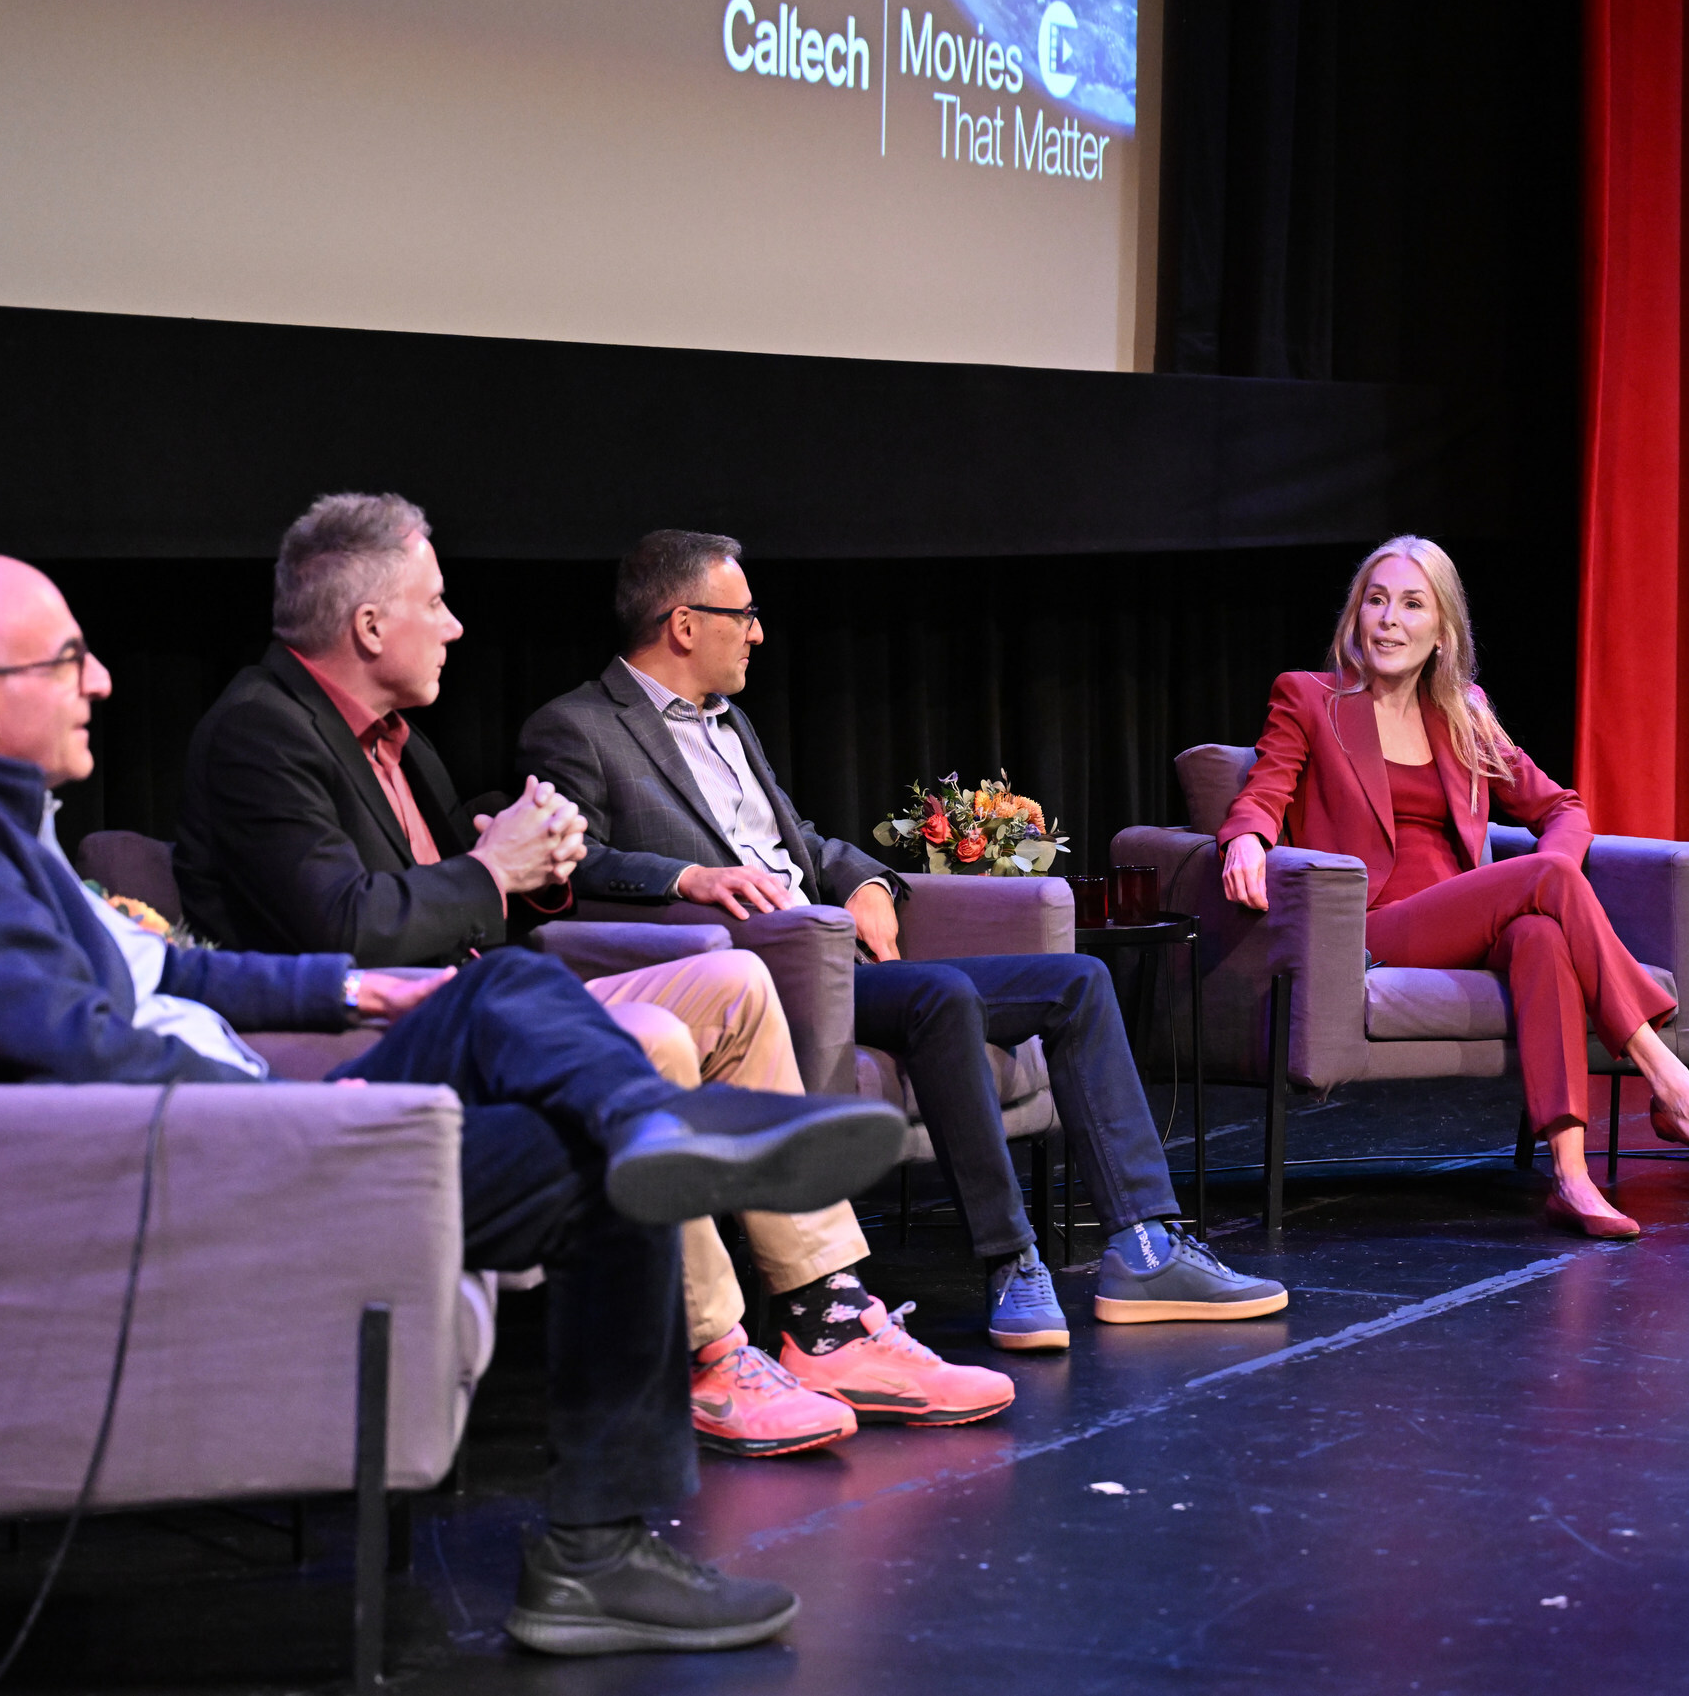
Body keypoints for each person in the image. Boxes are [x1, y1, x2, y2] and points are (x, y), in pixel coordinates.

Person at [0, 553, 908, 1657]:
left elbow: (159, 973)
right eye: (69, 660)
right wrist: (307, 1118)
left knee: (501, 989)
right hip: (209, 1166)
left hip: (237, 1131)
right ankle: (596, 1550)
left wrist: (354, 990)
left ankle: (658, 1131)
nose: (99, 681)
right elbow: (79, 1056)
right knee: (597, 1163)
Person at [175, 494, 1009, 1452]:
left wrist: (535, 859)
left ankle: (830, 1318)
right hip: (379, 1032)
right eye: (435, 603)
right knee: (648, 1036)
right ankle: (710, 1352)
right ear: (369, 625)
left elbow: (470, 894)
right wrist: (493, 867)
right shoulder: (262, 733)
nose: (454, 626)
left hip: (492, 997)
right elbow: (347, 924)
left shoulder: (404, 744)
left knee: (738, 984)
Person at [519, 530, 1288, 1353]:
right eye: (743, 615)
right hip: (759, 974)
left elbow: (799, 840)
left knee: (1080, 981)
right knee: (942, 992)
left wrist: (867, 880)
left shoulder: (729, 722)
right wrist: (686, 877)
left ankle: (1146, 1250)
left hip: (840, 956)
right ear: (683, 624)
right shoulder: (578, 727)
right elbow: (563, 857)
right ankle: (1012, 1259)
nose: (757, 633)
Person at [1217, 535, 1689, 1240]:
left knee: (1540, 932)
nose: (1388, 620)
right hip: (1371, 926)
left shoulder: (1464, 714)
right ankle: (1666, 1075)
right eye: (1376, 601)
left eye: (1411, 604)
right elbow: (1265, 787)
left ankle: (1572, 1177)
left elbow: (1562, 808)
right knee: (1542, 883)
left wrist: (1554, 880)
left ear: (1442, 631)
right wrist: (1247, 837)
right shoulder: (1309, 698)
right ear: (1355, 616)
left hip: (1465, 923)